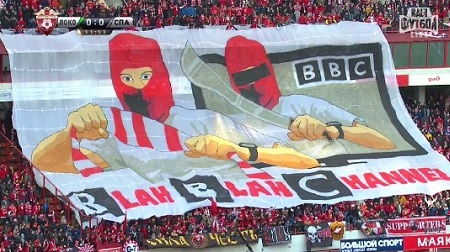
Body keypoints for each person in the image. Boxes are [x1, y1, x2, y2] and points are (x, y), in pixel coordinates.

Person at [31, 34, 320, 183]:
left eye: (145, 77)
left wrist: (238, 151)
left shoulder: (207, 123)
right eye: (127, 79)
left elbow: (303, 160)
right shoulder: (117, 133)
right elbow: (45, 162)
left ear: (160, 77)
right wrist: (70, 132)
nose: (139, 88)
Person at [206, 35, 396, 158]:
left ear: (269, 70)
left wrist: (331, 130)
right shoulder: (231, 125)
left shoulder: (303, 106)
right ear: (233, 82)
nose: (253, 84)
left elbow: (383, 143)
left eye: (257, 74)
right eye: (243, 78)